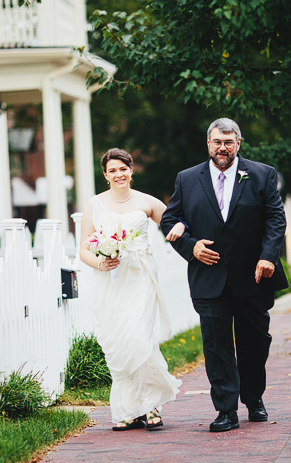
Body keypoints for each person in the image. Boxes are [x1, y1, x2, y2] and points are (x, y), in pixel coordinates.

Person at [160, 118, 288, 432]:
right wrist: (191, 248)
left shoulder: (261, 175)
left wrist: (268, 257)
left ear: (238, 144)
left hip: (253, 277)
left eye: (228, 142)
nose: (222, 148)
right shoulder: (187, 179)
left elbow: (276, 219)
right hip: (209, 278)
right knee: (216, 347)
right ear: (208, 143)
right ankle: (226, 410)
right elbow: (169, 220)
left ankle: (253, 397)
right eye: (217, 142)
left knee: (254, 344)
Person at [79, 148, 186, 431]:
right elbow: (83, 249)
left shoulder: (147, 201)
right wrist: (100, 263)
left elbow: (176, 220)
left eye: (123, 169)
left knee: (138, 338)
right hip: (110, 280)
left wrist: (182, 227)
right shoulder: (95, 204)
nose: (119, 175)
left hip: (140, 277)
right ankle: (128, 410)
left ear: (131, 170)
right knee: (118, 343)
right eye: (112, 170)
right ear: (105, 175)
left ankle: (151, 406)